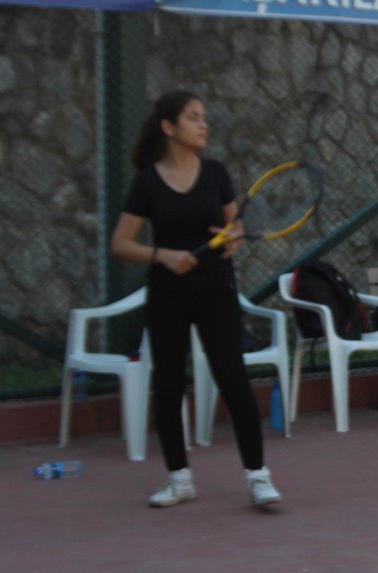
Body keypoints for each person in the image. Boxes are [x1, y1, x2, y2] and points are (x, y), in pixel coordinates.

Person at [110, 90, 281, 508]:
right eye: (193, 118)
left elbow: (233, 229)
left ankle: (258, 477)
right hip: (167, 294)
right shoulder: (147, 181)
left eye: (204, 117)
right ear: (169, 127)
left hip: (215, 291)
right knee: (168, 383)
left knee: (232, 377)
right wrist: (162, 255)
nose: (203, 124)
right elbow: (121, 243)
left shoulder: (216, 173)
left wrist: (232, 239)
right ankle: (179, 479)